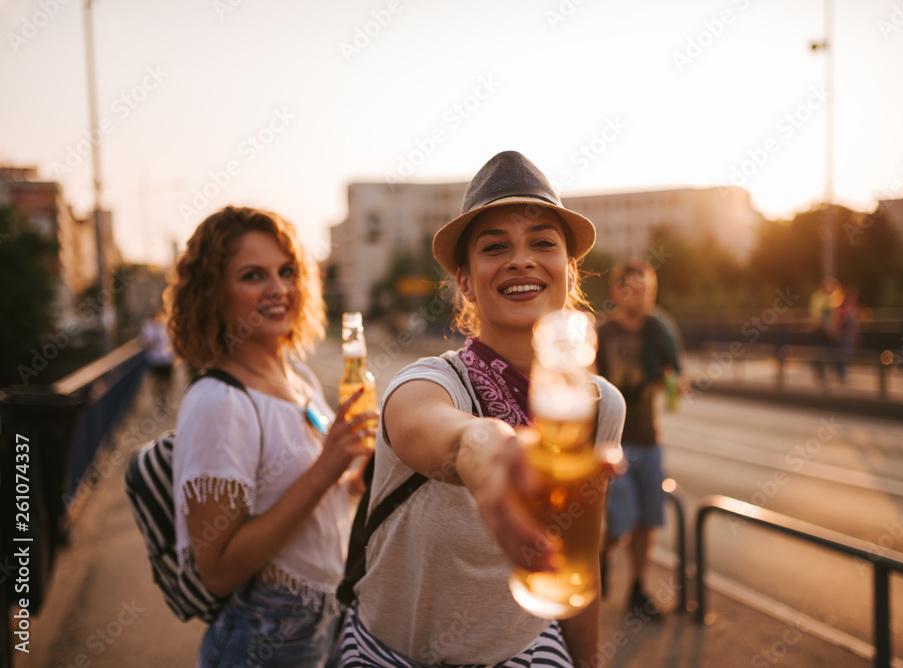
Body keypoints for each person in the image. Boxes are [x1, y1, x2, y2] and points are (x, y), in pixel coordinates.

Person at [339, 151, 625, 667]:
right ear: (466, 281)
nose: (522, 259)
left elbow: (579, 564)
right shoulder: (428, 382)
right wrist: (487, 456)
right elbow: (443, 430)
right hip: (390, 656)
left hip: (526, 652)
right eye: (496, 247)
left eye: (543, 243)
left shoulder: (601, 406)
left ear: (568, 269)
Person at [164, 205, 376, 668]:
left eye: (287, 271)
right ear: (213, 292)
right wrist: (326, 467)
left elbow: (318, 497)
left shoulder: (297, 377)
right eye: (253, 275)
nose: (279, 289)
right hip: (267, 629)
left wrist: (358, 474)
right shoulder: (219, 401)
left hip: (328, 614)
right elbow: (217, 570)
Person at [595, 259, 680, 618]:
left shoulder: (656, 331)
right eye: (635, 290)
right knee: (621, 520)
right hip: (615, 442)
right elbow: (589, 383)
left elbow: (668, 378)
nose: (643, 298)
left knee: (647, 519)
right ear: (618, 292)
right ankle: (597, 555)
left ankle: (637, 589)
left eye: (648, 291)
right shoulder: (603, 333)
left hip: (649, 436)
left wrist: (671, 385)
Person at [808, 277, 845, 385]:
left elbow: (834, 316)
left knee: (832, 351)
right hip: (821, 330)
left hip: (829, 330)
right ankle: (822, 375)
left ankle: (836, 374)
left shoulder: (832, 298)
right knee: (822, 352)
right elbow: (818, 317)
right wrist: (829, 331)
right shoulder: (819, 297)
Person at [141, 307, 176, 406]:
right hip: (155, 360)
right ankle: (159, 399)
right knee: (157, 382)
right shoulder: (148, 327)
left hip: (166, 359)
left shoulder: (167, 326)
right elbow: (143, 343)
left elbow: (173, 343)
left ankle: (164, 399)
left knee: (167, 381)